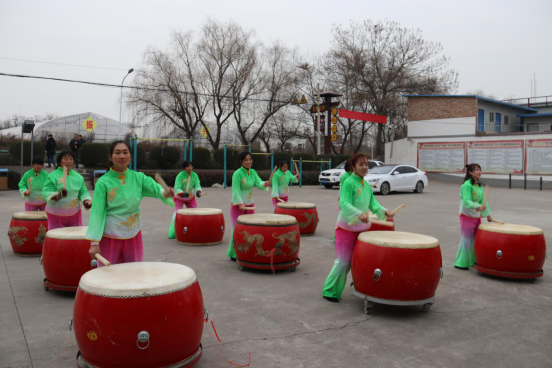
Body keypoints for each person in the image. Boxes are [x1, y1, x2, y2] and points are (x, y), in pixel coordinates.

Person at [87, 141, 174, 266]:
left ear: (130, 156)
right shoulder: (103, 182)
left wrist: (164, 192)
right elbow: (97, 212)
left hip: (133, 233)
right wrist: (94, 243)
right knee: (108, 275)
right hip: (110, 235)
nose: (122, 156)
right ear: (110, 157)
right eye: (117, 153)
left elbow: (155, 188)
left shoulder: (139, 177)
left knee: (134, 270)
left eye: (125, 152)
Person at [322, 153, 394, 303]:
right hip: (345, 229)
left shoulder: (366, 186)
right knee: (343, 262)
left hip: (361, 230)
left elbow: (374, 204)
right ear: (353, 167)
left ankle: (357, 286)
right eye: (361, 164)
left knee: (357, 261)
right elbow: (344, 203)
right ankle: (330, 290)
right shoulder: (349, 182)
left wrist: (384, 211)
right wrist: (358, 213)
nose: (365, 167)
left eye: (366, 164)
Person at [226, 152, 270, 260]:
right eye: (246, 160)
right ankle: (234, 253)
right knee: (237, 229)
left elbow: (258, 183)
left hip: (250, 204)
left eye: (250, 159)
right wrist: (240, 203)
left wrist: (264, 184)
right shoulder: (237, 173)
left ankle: (247, 252)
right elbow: (235, 190)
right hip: (238, 205)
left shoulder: (253, 172)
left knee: (250, 229)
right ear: (241, 161)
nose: (249, 161)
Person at [454, 163, 493, 270]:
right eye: (476, 170)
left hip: (476, 217)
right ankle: (461, 263)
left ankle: (472, 261)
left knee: (476, 240)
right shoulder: (466, 185)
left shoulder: (478, 186)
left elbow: (483, 201)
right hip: (466, 215)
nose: (479, 171)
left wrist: (488, 215)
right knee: (466, 240)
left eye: (480, 169)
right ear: (470, 172)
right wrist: (477, 206)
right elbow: (467, 201)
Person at [42, 151, 91, 230]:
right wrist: (57, 196)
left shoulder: (78, 177)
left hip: (75, 213)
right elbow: (45, 193)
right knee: (57, 238)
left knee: (74, 236)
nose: (69, 161)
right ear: (59, 162)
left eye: (71, 159)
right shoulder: (52, 176)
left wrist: (86, 200)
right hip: (56, 214)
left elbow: (83, 192)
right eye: (66, 159)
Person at [168, 160, 202, 239]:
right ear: (184, 168)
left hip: (190, 197)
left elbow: (197, 185)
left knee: (194, 214)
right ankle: (172, 233)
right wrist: (182, 193)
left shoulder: (195, 175)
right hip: (180, 197)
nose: (190, 168)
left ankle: (194, 230)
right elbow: (177, 187)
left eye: (191, 166)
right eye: (188, 166)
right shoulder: (180, 176)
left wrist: (198, 191)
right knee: (177, 214)